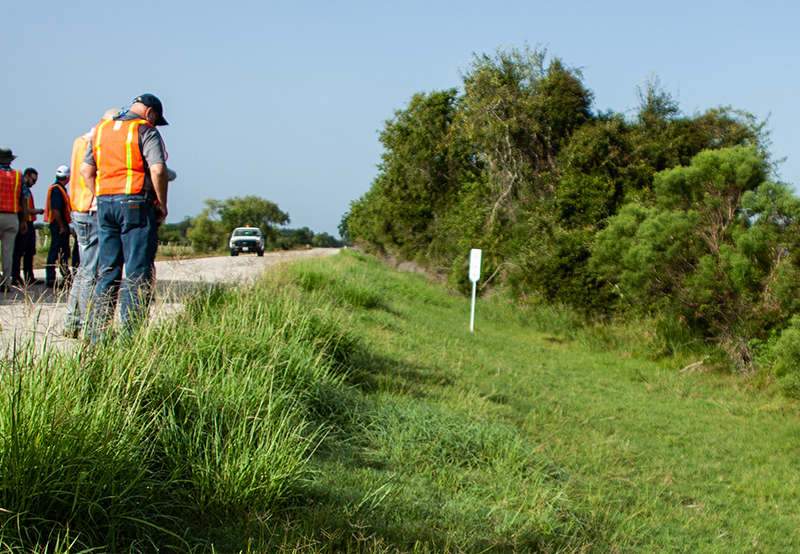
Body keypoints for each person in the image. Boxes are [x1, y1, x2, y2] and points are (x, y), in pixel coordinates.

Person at [80, 94, 170, 340]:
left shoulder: (101, 130)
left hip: (105, 203)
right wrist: (161, 202)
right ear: (150, 112)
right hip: (135, 203)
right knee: (136, 271)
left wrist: (99, 194)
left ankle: (97, 337)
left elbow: (85, 170)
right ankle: (131, 338)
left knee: (107, 271)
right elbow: (158, 169)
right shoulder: (145, 130)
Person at [63, 109, 121, 338]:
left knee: (83, 271)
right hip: (93, 207)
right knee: (92, 273)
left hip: (78, 208)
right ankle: (90, 326)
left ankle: (72, 322)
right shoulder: (100, 140)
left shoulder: (80, 140)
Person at [0, 148, 30, 292]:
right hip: (12, 217)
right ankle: (6, 282)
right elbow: (24, 200)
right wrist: (23, 221)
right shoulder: (18, 175)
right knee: (8, 252)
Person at [11, 168, 44, 286]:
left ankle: (29, 276)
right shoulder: (21, 190)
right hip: (22, 221)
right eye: (33, 180)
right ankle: (15, 275)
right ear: (27, 176)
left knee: (30, 251)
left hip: (30, 223)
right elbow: (20, 208)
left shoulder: (28, 191)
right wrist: (35, 211)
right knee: (19, 251)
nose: (34, 183)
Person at [44, 165, 72, 287]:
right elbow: (55, 209)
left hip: (59, 223)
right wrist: (62, 226)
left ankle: (66, 276)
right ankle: (51, 278)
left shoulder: (59, 188)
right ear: (67, 177)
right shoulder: (57, 189)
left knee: (63, 252)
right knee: (55, 251)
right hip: (58, 224)